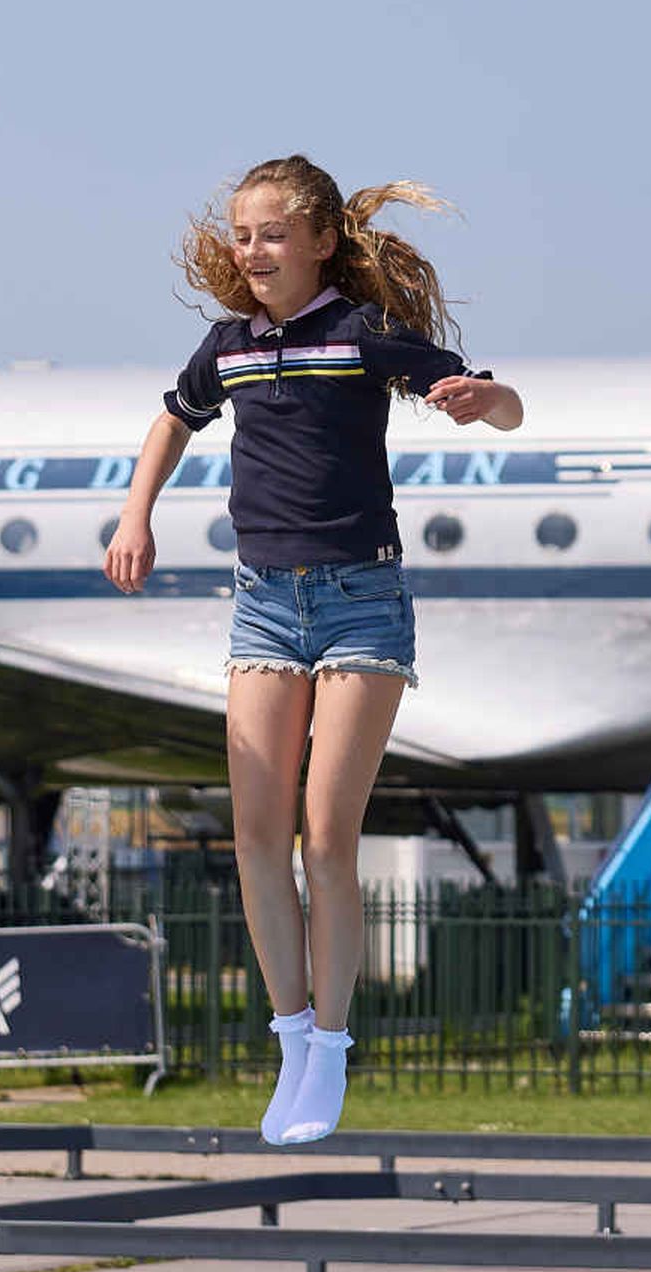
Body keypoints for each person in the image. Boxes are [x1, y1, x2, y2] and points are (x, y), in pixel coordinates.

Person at [103, 156, 523, 1145]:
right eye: (243, 234)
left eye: (273, 234)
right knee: (255, 835)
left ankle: (331, 1045)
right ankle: (291, 1034)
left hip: (362, 602)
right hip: (261, 604)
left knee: (326, 835)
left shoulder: (363, 333)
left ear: (323, 240)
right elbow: (173, 416)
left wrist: (481, 401)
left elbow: (504, 405)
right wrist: (136, 515)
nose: (253, 251)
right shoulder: (229, 347)